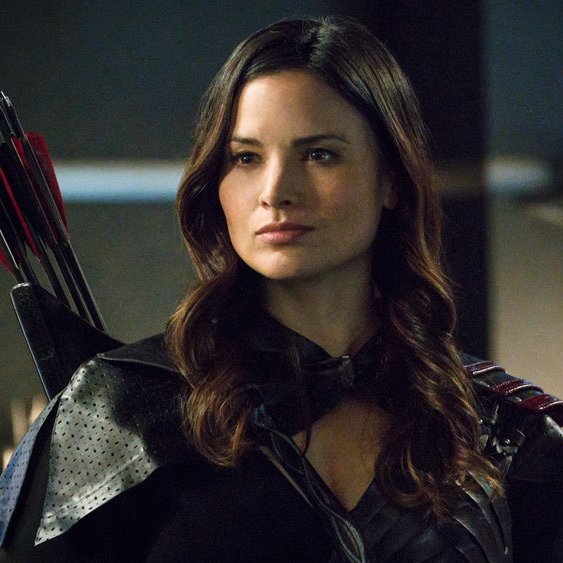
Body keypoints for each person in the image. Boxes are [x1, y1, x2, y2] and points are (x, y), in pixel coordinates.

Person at [0, 15, 561, 562]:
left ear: (391, 178)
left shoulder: (507, 429)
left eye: (319, 155)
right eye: (246, 158)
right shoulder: (118, 410)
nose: (275, 190)